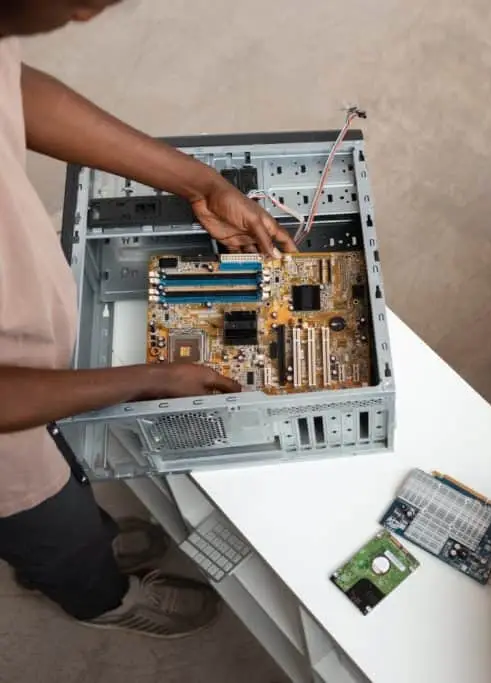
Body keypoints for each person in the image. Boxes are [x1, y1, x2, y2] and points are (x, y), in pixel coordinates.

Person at [0, 1, 296, 637]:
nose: (93, 12)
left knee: (73, 489)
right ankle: (103, 597)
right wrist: (147, 378)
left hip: (31, 375)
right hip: (5, 462)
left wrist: (200, 182)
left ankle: (93, 536)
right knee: (51, 530)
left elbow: (13, 88)